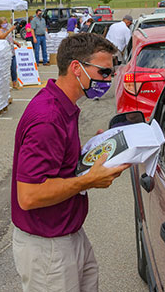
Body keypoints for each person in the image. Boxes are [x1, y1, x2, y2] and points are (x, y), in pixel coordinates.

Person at [12, 33, 130, 292]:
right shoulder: (48, 118)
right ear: (76, 68)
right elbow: (29, 195)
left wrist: (93, 152)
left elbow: (59, 164)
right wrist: (88, 180)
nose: (108, 80)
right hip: (48, 248)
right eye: (104, 72)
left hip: (68, 235)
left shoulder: (63, 106)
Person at [0, 17, 22, 89]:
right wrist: (9, 30)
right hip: (5, 53)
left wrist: (16, 43)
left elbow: (10, 39)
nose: (5, 24)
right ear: (0, 24)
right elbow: (2, 37)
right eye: (4, 23)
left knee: (13, 69)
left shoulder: (8, 30)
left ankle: (14, 83)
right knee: (6, 69)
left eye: (6, 23)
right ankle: (6, 84)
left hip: (12, 52)